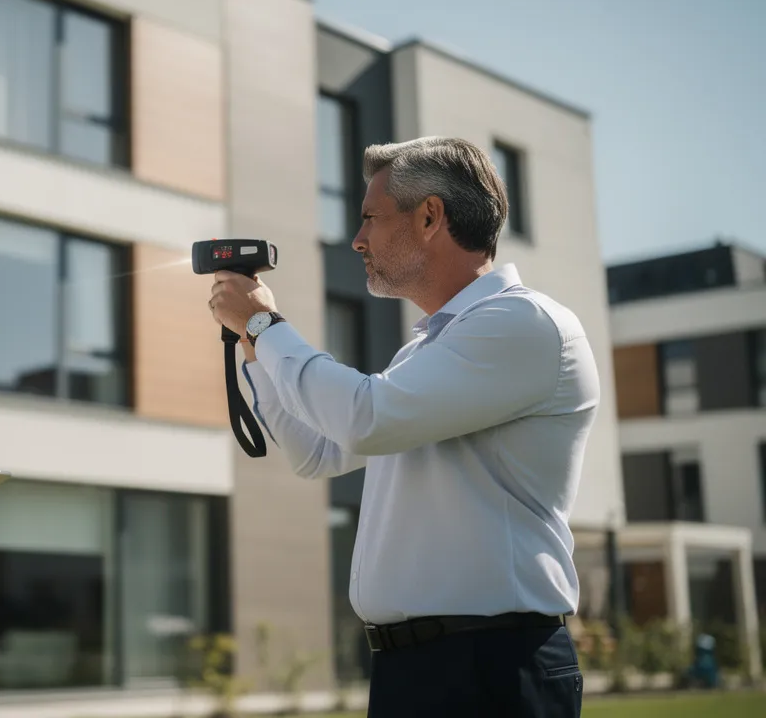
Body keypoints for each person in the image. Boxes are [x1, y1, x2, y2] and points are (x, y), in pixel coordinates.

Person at [209, 136, 596, 717]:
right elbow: (319, 451)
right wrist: (252, 340)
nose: (357, 240)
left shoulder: (523, 323)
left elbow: (365, 420)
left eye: (369, 218)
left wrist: (265, 324)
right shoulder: (427, 351)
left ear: (430, 217)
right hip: (415, 671)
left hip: (491, 666)